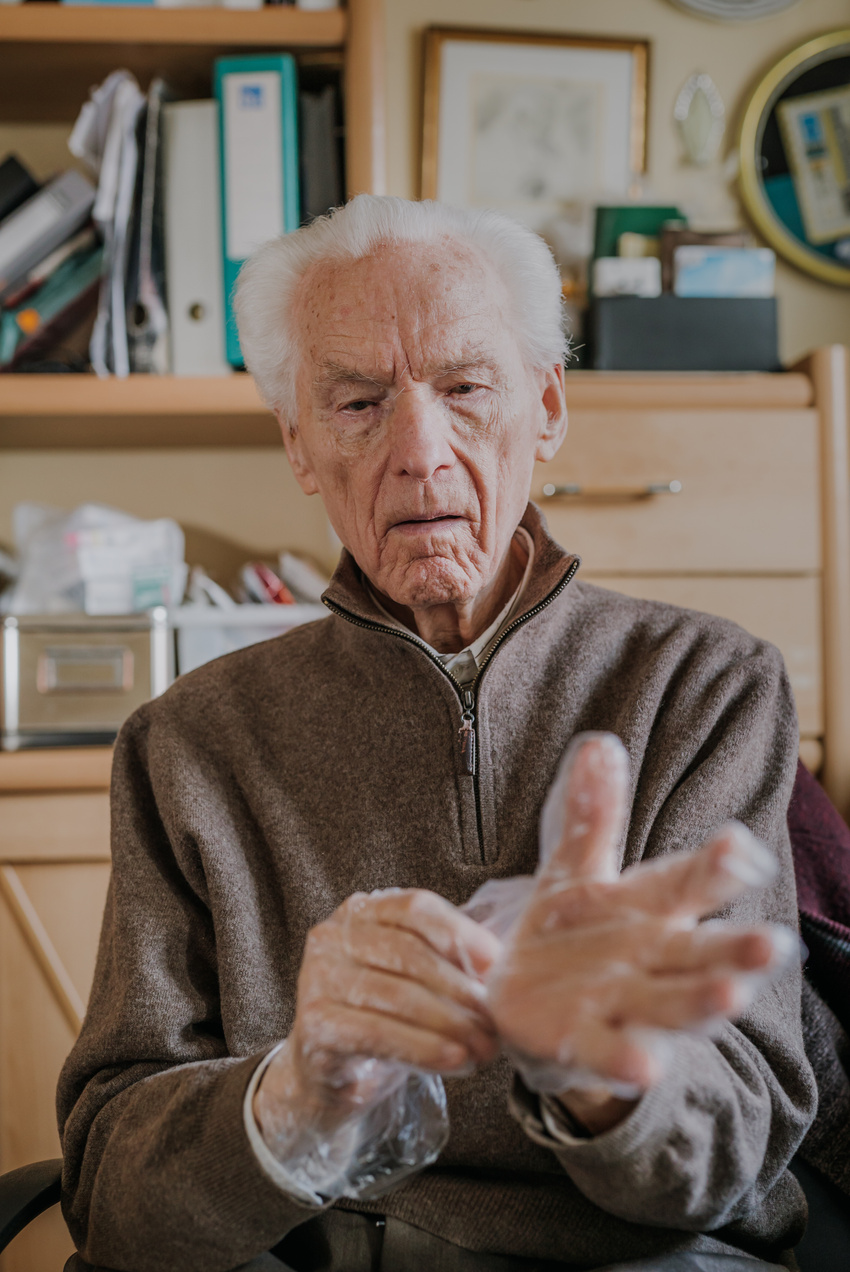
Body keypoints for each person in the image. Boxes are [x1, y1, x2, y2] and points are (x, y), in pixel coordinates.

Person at [58, 197, 816, 1272]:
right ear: (299, 445)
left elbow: (734, 1154)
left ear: (546, 408)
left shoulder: (703, 686)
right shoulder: (186, 742)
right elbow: (112, 1197)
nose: (420, 451)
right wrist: (292, 1098)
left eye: (465, 389)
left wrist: (599, 1070)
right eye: (359, 402)